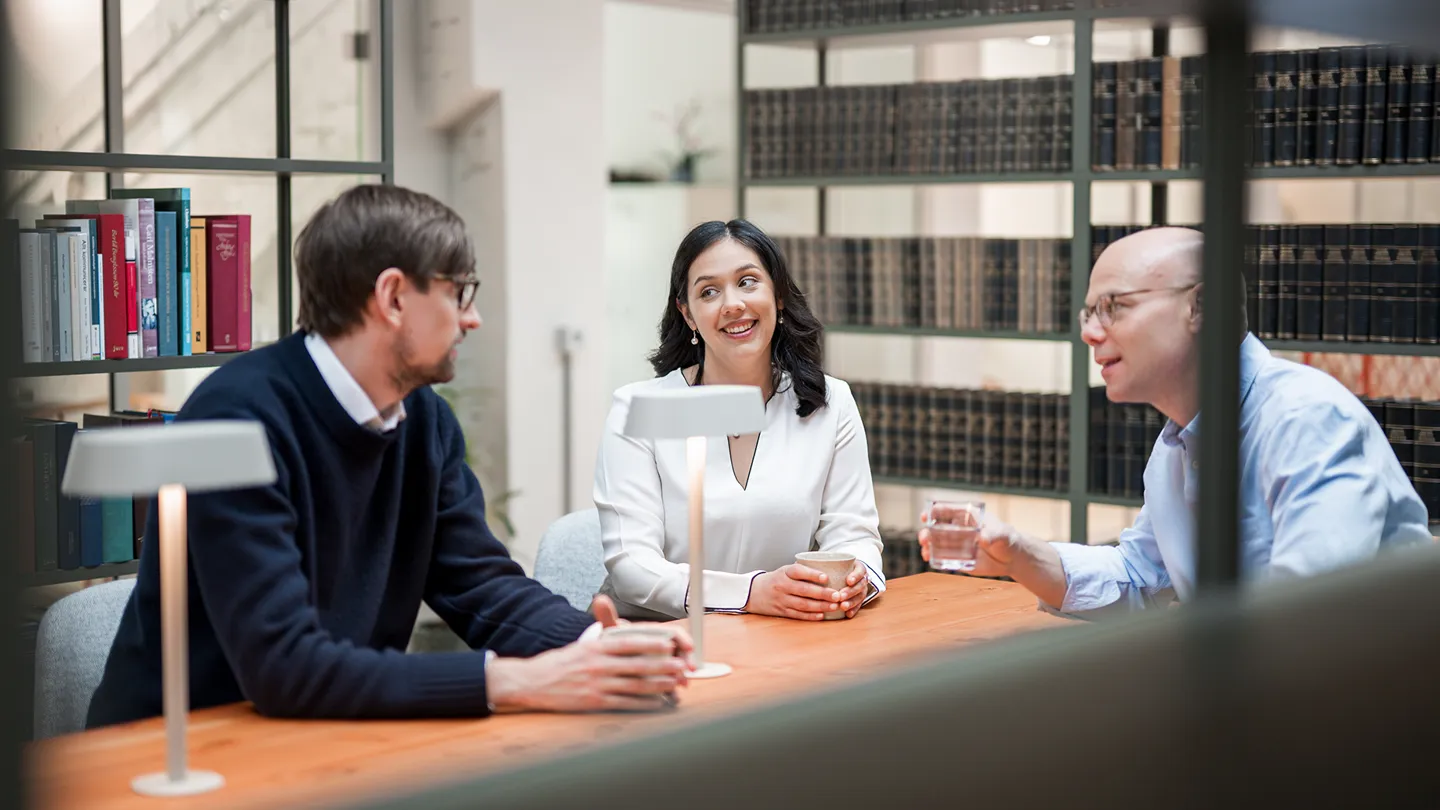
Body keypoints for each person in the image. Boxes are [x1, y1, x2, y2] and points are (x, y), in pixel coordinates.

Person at [87, 184, 693, 728]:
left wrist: (597, 645)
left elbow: (480, 584)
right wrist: (515, 681)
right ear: (394, 297)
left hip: (322, 730)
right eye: (461, 293)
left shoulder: (423, 417)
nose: (473, 318)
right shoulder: (237, 417)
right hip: (179, 753)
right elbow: (284, 665)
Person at [920, 226, 1431, 616]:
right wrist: (1014, 555)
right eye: (1088, 314)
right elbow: (1139, 575)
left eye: (1113, 307)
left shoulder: (1306, 420)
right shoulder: (1177, 445)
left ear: (1201, 306)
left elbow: (1306, 619)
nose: (1091, 334)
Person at [592, 220, 885, 622]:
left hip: (781, 636)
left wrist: (857, 580)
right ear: (688, 314)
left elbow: (855, 535)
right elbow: (632, 567)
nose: (733, 304)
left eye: (748, 282)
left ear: (778, 295)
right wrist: (752, 593)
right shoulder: (638, 409)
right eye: (709, 292)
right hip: (661, 639)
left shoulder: (829, 404)